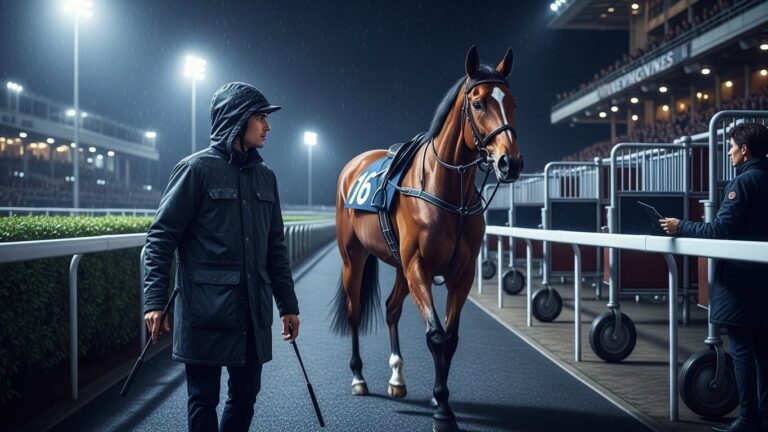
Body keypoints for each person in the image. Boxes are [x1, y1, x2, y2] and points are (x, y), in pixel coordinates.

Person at [142, 82, 300, 432]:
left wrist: (288, 305)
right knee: (203, 399)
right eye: (261, 117)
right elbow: (160, 238)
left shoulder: (266, 177)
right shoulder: (195, 169)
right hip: (205, 312)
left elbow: (276, 247)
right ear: (237, 119)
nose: (268, 126)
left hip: (252, 312)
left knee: (245, 397)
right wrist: (154, 301)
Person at [660, 123, 768, 432]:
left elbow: (719, 230)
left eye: (732, 146)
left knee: (743, 349)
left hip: (742, 282)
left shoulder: (743, 182)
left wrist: (680, 226)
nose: (729, 152)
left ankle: (749, 419)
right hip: (763, 277)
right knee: (764, 351)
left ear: (744, 150)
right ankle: (763, 416)